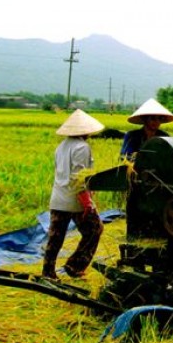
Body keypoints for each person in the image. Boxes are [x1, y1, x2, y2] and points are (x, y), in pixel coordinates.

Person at [42, 109, 105, 280]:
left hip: (58, 197)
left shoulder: (61, 146)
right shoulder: (82, 147)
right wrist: (87, 203)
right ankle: (75, 265)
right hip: (75, 199)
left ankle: (47, 272)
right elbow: (80, 177)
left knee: (55, 237)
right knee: (95, 229)